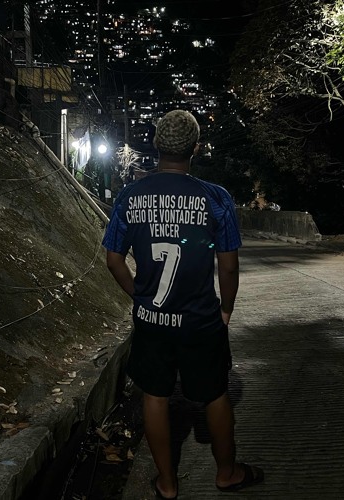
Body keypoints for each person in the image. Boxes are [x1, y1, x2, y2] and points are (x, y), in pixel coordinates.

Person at [102, 110, 263, 498]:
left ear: (157, 145)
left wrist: (141, 298)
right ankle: (227, 473)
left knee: (155, 395)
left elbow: (114, 260)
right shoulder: (215, 197)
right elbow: (228, 266)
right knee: (215, 393)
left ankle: (167, 483)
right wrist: (226, 309)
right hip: (200, 319)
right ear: (195, 148)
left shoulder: (130, 196)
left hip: (151, 320)